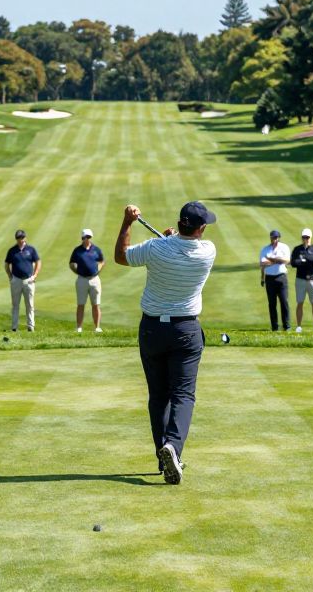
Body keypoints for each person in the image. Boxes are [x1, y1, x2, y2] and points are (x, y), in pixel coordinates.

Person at [114, 201, 216, 485]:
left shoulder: (156, 248)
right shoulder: (207, 251)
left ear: (179, 223)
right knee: (183, 394)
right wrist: (171, 240)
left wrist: (127, 222)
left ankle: (163, 454)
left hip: (151, 329)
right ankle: (173, 446)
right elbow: (180, 247)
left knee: (158, 396)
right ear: (201, 228)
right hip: (186, 330)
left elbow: (121, 257)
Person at [4, 229, 41, 331]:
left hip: (29, 280)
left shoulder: (31, 250)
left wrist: (35, 276)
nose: (20, 240)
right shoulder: (12, 251)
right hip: (16, 280)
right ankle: (14, 327)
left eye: (22, 237)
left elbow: (38, 262)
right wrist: (10, 276)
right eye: (18, 238)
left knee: (30, 305)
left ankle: (31, 326)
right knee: (15, 305)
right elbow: (7, 264)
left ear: (25, 238)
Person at [70, 228, 104, 333]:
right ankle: (79, 327)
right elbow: (72, 264)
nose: (88, 239)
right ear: (82, 238)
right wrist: (77, 272)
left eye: (89, 237)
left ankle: (97, 327)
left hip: (94, 279)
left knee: (96, 304)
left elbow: (102, 261)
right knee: (81, 304)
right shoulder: (77, 250)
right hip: (82, 280)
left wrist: (98, 270)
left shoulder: (96, 249)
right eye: (86, 237)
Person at [291, 228, 313, 333]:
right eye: (304, 237)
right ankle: (299, 326)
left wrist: (306, 258)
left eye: (307, 237)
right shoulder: (297, 249)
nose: (306, 239)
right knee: (300, 302)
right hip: (300, 279)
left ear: (311, 237)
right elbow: (293, 263)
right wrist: (304, 261)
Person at [259, 229, 291, 331]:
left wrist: (272, 260)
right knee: (272, 304)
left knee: (284, 302)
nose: (275, 239)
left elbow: (287, 261)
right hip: (269, 279)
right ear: (270, 238)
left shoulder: (284, 247)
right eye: (273, 237)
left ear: (279, 238)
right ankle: (274, 326)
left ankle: (287, 326)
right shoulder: (265, 249)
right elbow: (262, 264)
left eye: (276, 237)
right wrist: (262, 278)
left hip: (281, 277)